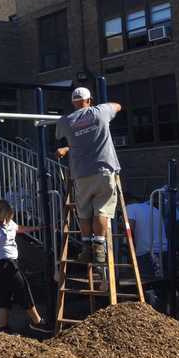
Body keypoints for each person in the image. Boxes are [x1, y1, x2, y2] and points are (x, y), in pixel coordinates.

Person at [56, 87, 122, 264]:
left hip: (81, 174)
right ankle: (99, 247)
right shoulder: (100, 112)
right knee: (102, 209)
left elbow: (64, 137)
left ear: (73, 102)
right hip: (104, 170)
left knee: (84, 212)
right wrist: (107, 107)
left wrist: (67, 147)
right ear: (89, 100)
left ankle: (86, 248)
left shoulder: (66, 121)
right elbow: (117, 106)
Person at [0, 199, 46, 334]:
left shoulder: (8, 222)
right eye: (4, 216)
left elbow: (18, 228)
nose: (6, 219)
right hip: (1, 263)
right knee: (23, 288)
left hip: (11, 261)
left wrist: (36, 228)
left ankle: (3, 326)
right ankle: (37, 321)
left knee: (5, 292)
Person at [127, 189, 179, 310]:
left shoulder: (130, 208)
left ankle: (155, 316)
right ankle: (170, 313)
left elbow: (129, 229)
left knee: (150, 287)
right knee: (164, 284)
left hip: (147, 252)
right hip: (164, 250)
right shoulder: (154, 209)